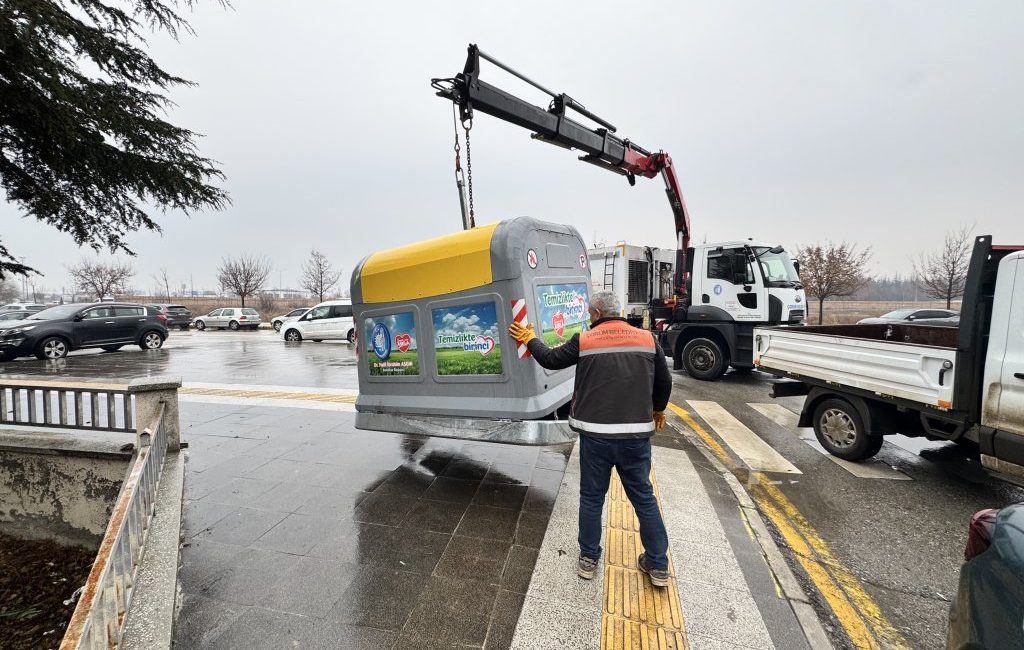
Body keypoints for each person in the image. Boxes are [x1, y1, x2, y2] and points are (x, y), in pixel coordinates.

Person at [508, 290, 673, 587]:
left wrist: (529, 338)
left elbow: (550, 359)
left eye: (589, 313)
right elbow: (665, 381)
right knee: (643, 498)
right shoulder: (648, 340)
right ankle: (658, 564)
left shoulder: (584, 340)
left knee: (592, 498)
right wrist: (658, 408)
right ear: (618, 312)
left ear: (596, 314)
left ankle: (588, 559)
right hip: (635, 438)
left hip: (596, 438)